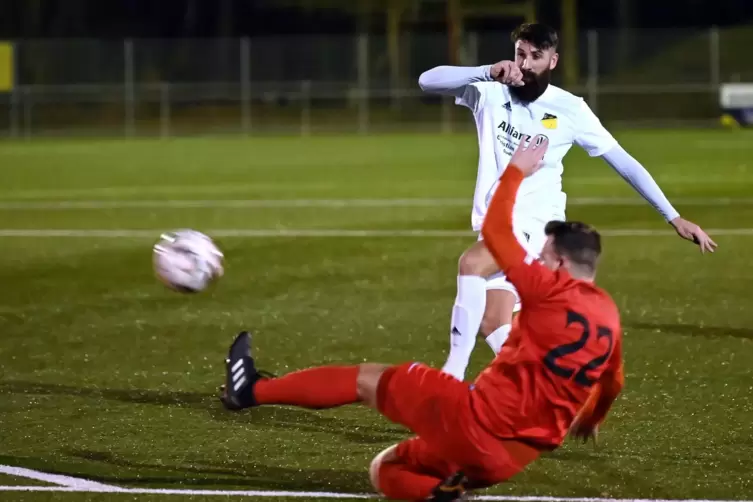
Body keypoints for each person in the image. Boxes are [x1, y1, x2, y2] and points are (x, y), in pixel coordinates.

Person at [219, 135, 625, 502]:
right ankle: (440, 495)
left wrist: (516, 171)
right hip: (510, 460)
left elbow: (497, 233)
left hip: (472, 420)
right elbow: (611, 382)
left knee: (367, 380)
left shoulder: (548, 286)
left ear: (560, 261)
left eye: (544, 254)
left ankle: (250, 390)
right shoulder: (609, 317)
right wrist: (590, 420)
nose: (538, 259)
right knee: (388, 469)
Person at [417, 22, 716, 382]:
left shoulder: (569, 109)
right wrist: (486, 70)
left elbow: (624, 162)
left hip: (535, 225)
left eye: (536, 57)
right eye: (520, 54)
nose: (525, 65)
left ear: (553, 61)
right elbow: (426, 81)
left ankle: (450, 378)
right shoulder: (490, 91)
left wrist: (673, 216)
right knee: (492, 321)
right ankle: (548, 384)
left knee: (472, 262)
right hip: (495, 221)